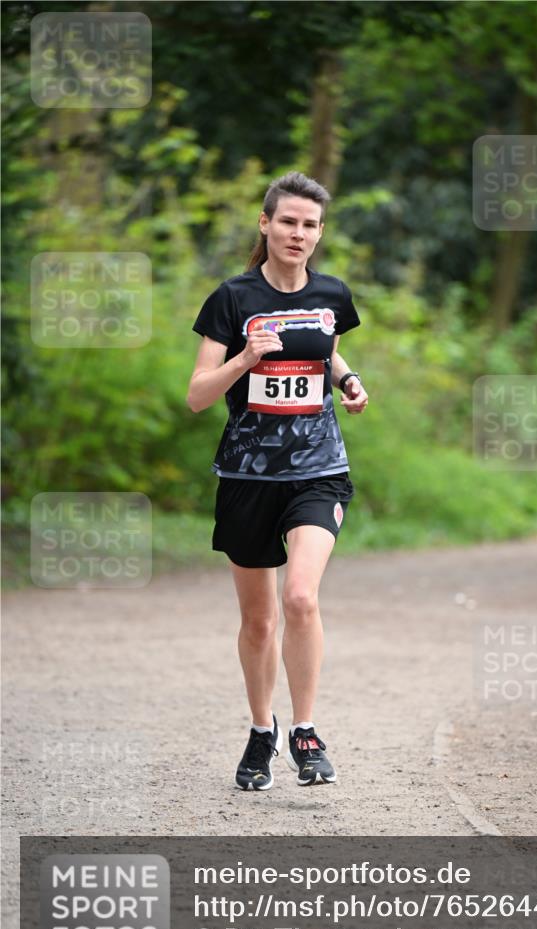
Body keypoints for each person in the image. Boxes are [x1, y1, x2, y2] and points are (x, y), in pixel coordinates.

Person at [187, 171, 368, 790]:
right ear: (265, 224)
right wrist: (245, 359)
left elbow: (327, 348)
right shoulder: (231, 299)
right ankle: (261, 730)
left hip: (318, 470)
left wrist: (348, 381)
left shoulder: (332, 294)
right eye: (287, 221)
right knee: (260, 620)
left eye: (310, 224)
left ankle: (305, 730)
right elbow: (196, 395)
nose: (298, 233)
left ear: (320, 233)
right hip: (247, 476)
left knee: (301, 598)